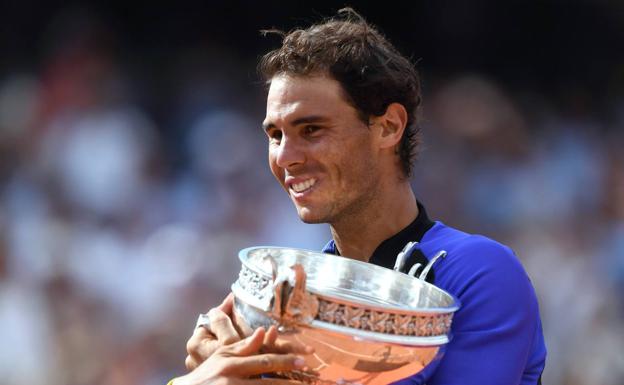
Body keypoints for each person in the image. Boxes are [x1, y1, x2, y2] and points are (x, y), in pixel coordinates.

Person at [172, 8, 547, 385]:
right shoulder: (292, 295)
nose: (285, 156)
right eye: (275, 136)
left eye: (312, 129)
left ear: (388, 127)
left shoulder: (479, 273)